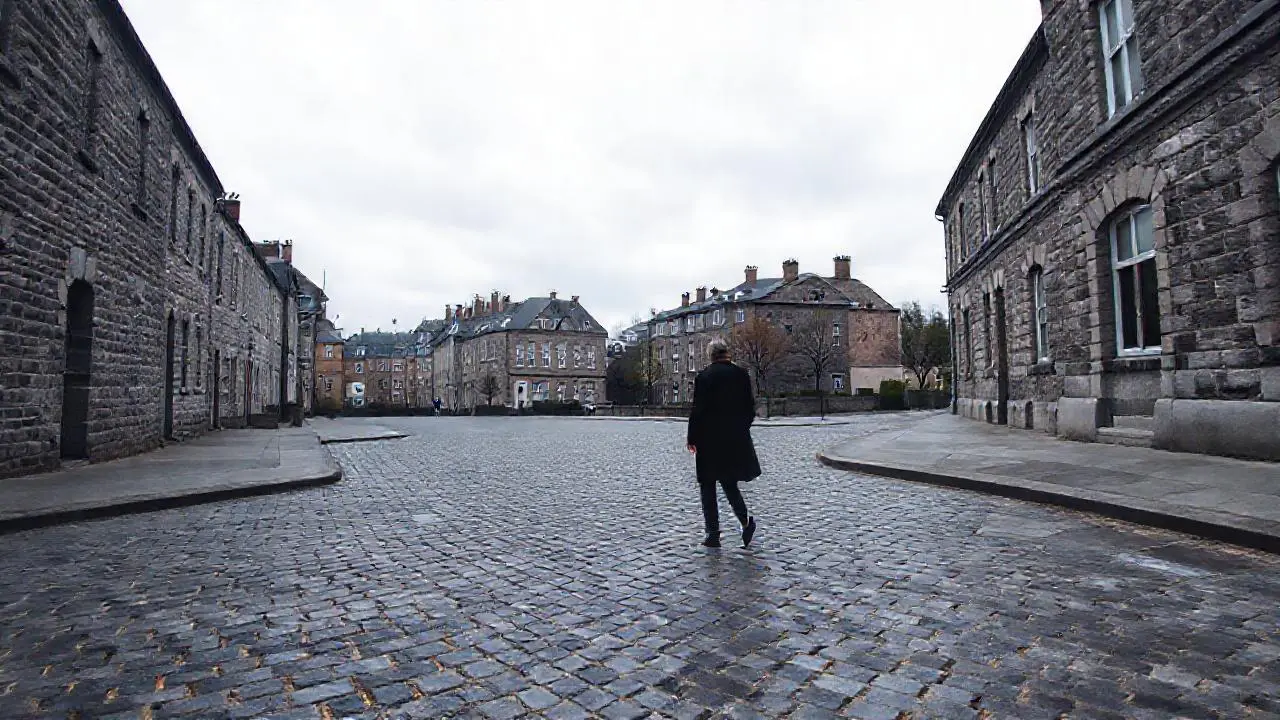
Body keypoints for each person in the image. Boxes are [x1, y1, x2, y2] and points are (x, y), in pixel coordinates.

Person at [686, 339, 760, 548]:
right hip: (734, 438)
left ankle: (713, 534)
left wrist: (692, 438)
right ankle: (745, 522)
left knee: (708, 486)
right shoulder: (741, 375)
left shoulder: (705, 376)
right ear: (727, 353)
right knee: (729, 483)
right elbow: (749, 408)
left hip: (709, 439)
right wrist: (741, 429)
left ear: (710, 355)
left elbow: (698, 410)